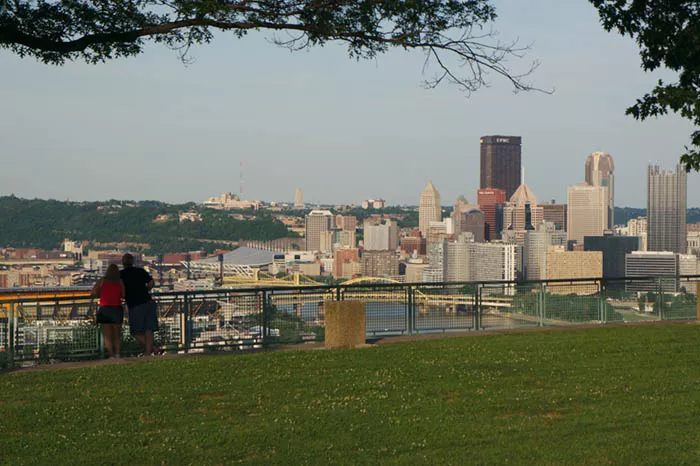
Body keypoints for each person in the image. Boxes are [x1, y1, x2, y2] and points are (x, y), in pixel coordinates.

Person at [120, 253, 161, 356]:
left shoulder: (121, 274)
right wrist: (146, 289)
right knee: (149, 329)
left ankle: (152, 349)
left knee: (135, 331)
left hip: (134, 304)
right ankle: (149, 351)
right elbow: (151, 283)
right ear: (132, 261)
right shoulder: (140, 271)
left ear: (123, 263)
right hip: (147, 301)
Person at [92, 263, 125, 359]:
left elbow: (94, 292)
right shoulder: (120, 282)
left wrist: (101, 294)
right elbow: (123, 294)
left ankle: (111, 355)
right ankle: (118, 354)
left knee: (107, 336)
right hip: (117, 309)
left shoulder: (101, 281)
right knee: (117, 336)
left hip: (105, 309)